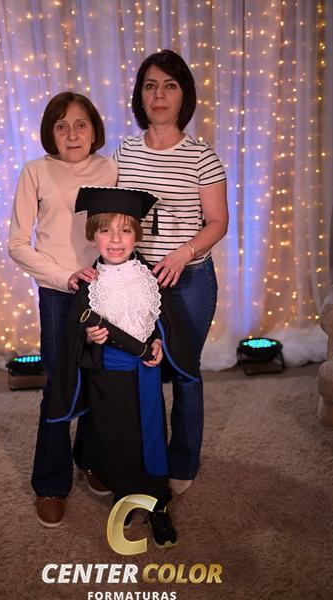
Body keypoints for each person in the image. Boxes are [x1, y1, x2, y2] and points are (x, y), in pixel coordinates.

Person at [48, 186, 199, 548]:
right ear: (93, 235)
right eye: (105, 230)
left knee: (151, 434)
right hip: (107, 374)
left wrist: (159, 343)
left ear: (137, 235)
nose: (115, 240)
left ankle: (158, 501)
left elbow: (162, 322)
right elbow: (75, 339)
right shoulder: (89, 284)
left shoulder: (149, 276)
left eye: (125, 230)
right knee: (114, 435)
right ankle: (125, 493)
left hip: (145, 369)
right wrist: (91, 338)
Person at [114, 49, 228, 495]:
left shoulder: (202, 156)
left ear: (184, 95)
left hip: (188, 281)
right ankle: (142, 456)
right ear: (139, 96)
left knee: (184, 371)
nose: (159, 95)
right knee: (136, 370)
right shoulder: (125, 152)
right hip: (135, 282)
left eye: (170, 85)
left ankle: (182, 460)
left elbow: (217, 222)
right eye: (150, 86)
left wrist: (182, 253)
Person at [8, 92, 117, 528]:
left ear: (94, 129)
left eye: (81, 124)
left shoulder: (111, 169)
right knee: (59, 384)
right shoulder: (34, 172)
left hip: (104, 290)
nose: (72, 134)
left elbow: (122, 230)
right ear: (50, 132)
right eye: (62, 125)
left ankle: (88, 457)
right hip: (58, 293)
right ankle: (50, 483)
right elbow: (18, 244)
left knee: (98, 379)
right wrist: (64, 276)